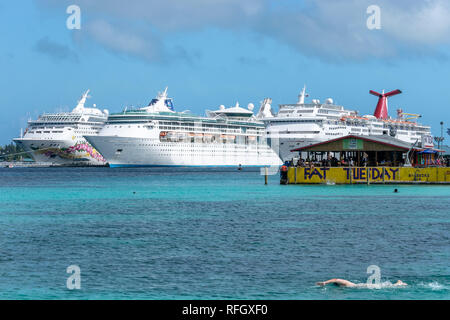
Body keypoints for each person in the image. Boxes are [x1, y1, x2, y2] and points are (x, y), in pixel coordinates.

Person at [316, 278, 407, 288]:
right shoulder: (345, 285)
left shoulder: (345, 283)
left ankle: (399, 283)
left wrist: (324, 282)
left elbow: (335, 279)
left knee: (385, 287)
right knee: (384, 286)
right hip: (362, 286)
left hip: (364, 286)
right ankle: (398, 283)